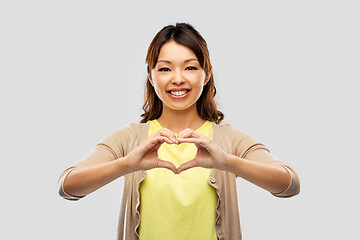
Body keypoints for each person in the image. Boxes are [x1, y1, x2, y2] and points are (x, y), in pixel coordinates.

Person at [58, 22, 300, 240]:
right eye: (164, 69)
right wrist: (127, 165)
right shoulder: (130, 138)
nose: (177, 79)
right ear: (151, 77)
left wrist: (228, 162)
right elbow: (67, 187)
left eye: (190, 68)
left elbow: (289, 184)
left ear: (206, 75)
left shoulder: (228, 139)